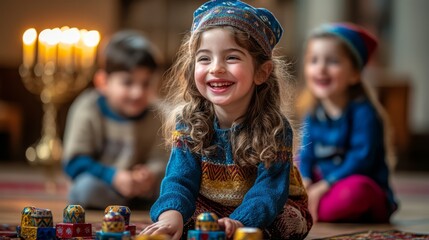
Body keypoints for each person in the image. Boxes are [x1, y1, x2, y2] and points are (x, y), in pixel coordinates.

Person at [140, 1, 312, 239]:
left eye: (231, 57)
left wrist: (241, 222)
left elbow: (269, 191)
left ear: (261, 72)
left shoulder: (275, 127)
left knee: (287, 222)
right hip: (210, 207)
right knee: (185, 218)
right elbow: (179, 180)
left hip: (265, 207)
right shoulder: (188, 122)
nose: (216, 68)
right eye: (204, 59)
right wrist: (171, 215)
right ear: (192, 69)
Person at [297, 22, 398, 223]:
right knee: (289, 170)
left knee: (355, 192)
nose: (321, 68)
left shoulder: (364, 112)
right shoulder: (313, 112)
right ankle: (311, 204)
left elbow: (362, 159)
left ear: (354, 74)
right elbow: (306, 154)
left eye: (333, 61)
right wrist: (306, 181)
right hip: (324, 184)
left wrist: (325, 186)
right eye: (313, 60)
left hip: (356, 184)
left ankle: (312, 208)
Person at [62, 30, 169, 210]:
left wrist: (150, 173)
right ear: (103, 82)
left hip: (145, 189)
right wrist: (114, 177)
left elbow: (162, 158)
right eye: (127, 82)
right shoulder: (87, 108)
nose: (138, 93)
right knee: (85, 188)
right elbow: (74, 163)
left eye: (145, 83)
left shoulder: (157, 114)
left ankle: (131, 203)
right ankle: (127, 204)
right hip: (105, 184)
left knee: (175, 186)